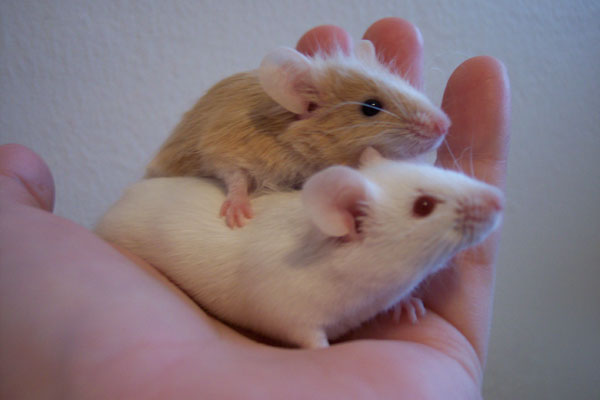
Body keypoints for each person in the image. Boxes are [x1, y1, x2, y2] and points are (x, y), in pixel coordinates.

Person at [0, 18, 509, 398]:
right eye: (372, 108)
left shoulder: (336, 180)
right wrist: (238, 190)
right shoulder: (270, 138)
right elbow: (219, 150)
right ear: (304, 105)